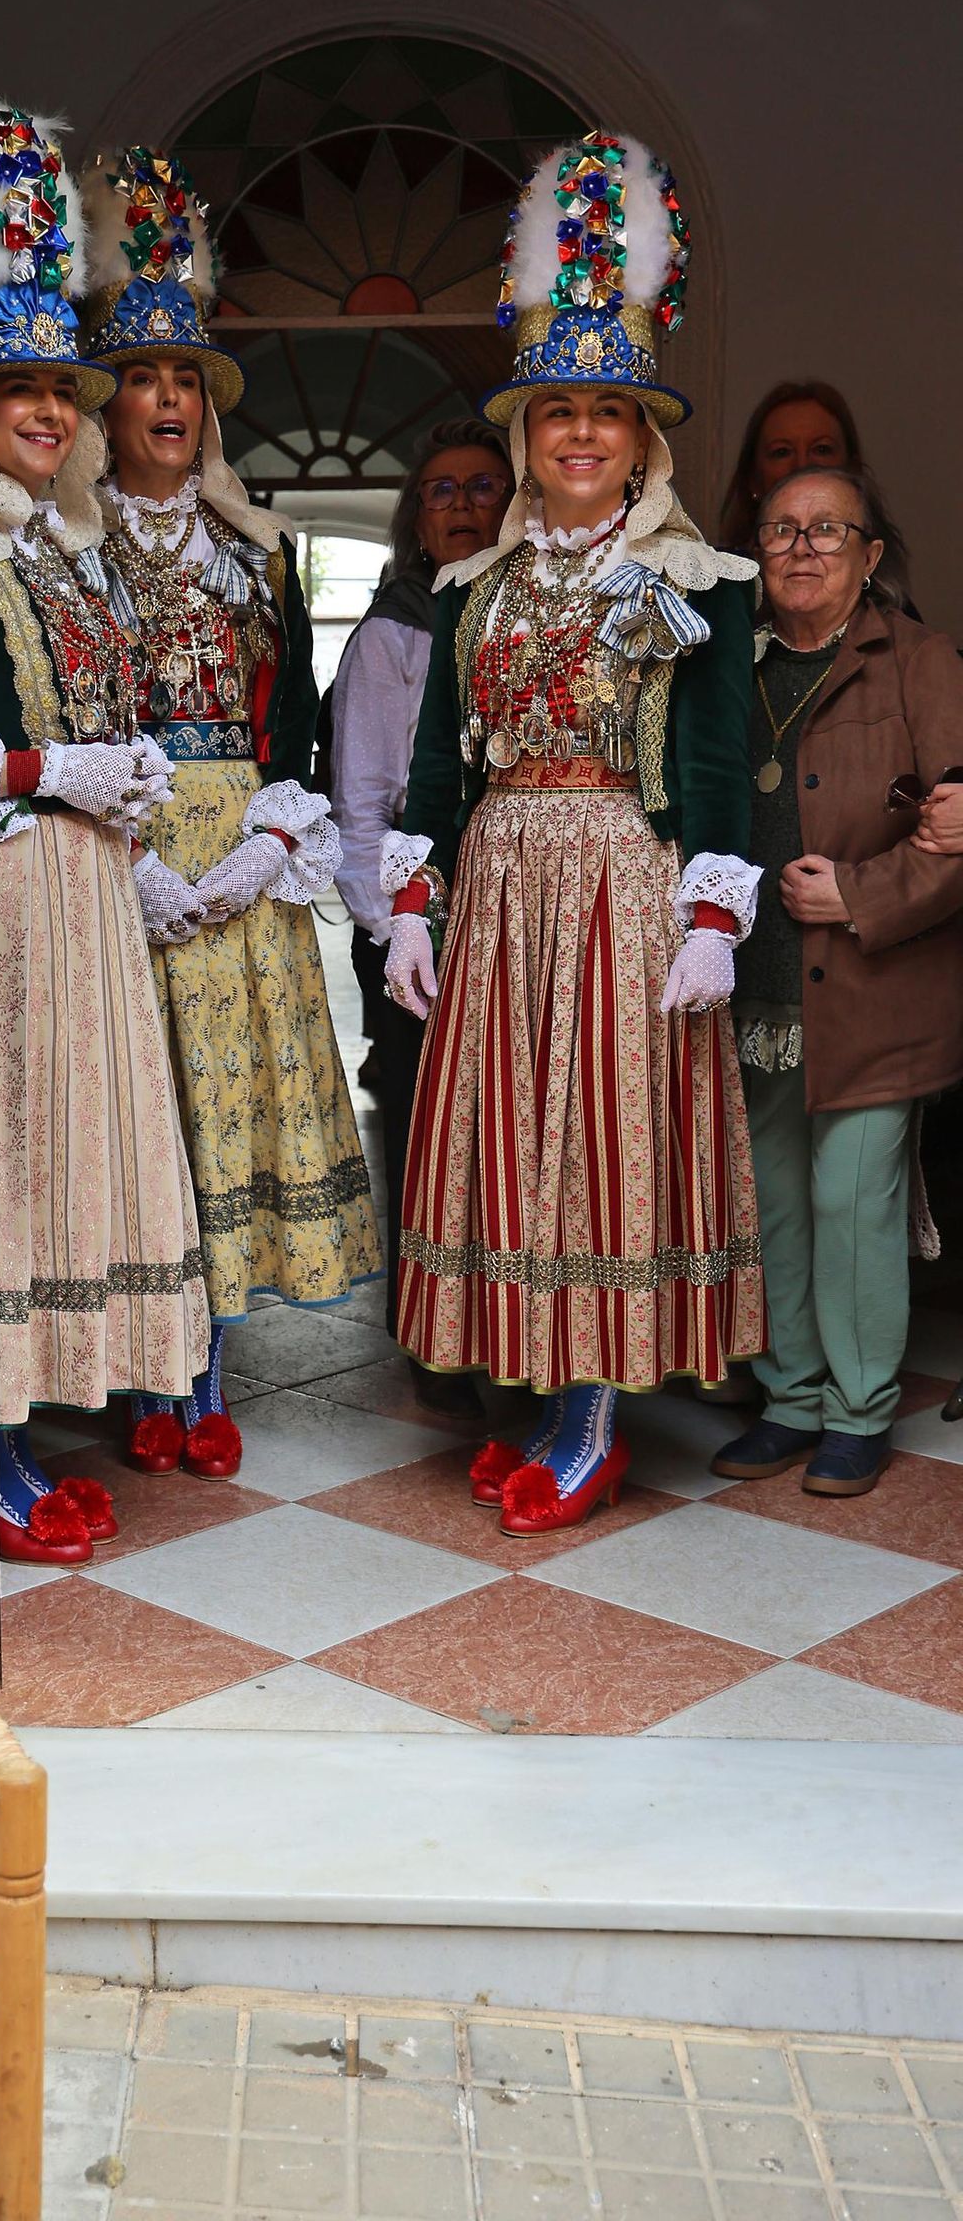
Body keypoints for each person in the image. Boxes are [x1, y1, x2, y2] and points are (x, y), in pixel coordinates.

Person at [384, 131, 766, 1537]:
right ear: (527, 438)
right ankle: (549, 1402)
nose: (581, 437)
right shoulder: (474, 587)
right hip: (500, 891)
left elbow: (719, 761)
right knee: (515, 1148)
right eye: (557, 417)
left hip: (620, 886)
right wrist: (416, 901)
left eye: (607, 415)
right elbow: (439, 765)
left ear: (643, 436)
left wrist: (714, 918)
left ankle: (597, 1420)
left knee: (600, 1148)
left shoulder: (696, 582)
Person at [79, 143, 380, 1479]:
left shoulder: (253, 549)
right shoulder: (67, 547)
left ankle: (203, 1379)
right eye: (144, 378)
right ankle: (145, 1376)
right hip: (121, 844)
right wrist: (126, 849)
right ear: (109, 404)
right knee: (145, 1111)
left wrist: (275, 834)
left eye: (185, 380)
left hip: (238, 851)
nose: (166, 400)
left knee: (222, 1113)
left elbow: (296, 720)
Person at [0, 104, 210, 1565]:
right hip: (10, 892)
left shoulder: (51, 543)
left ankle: (36, 1417)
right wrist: (58, 763)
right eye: (22, 392)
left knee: (71, 1153)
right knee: (17, 1149)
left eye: (62, 390)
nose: (53, 414)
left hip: (84, 893)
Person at [710, 468, 963, 1494]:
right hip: (754, 985)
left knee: (852, 1198)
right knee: (770, 1199)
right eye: (781, 530)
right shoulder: (730, 662)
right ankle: (790, 1396)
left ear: (868, 557)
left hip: (874, 988)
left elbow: (955, 833)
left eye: (828, 530)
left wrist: (858, 893)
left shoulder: (918, 658)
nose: (801, 547)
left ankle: (857, 1410)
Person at [331, 419, 512, 1338]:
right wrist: (389, 931)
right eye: (441, 491)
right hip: (416, 917)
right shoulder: (396, 634)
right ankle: (428, 1328)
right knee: (423, 1127)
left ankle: (506, 1318)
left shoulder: (528, 610)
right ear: (416, 518)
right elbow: (363, 800)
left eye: (483, 486)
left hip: (523, 906)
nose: (463, 506)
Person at [717, 381, 916, 607]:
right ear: (752, 478)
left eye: (821, 449)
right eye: (782, 452)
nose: (803, 465)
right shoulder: (721, 599)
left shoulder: (901, 632)